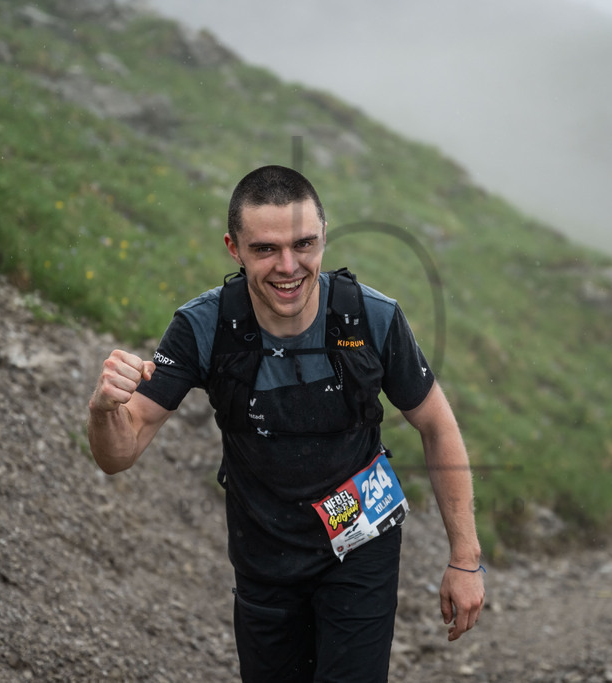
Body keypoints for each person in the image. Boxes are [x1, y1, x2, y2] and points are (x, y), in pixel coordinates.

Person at [87, 165, 484, 682]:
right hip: (263, 555)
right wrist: (104, 411)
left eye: (304, 244)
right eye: (265, 249)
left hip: (362, 542)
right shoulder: (203, 326)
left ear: (324, 236)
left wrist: (466, 558)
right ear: (234, 247)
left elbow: (437, 425)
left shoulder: (372, 318)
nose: (288, 266)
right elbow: (119, 453)